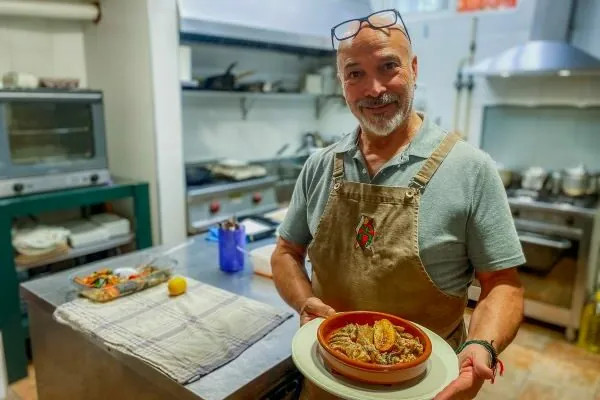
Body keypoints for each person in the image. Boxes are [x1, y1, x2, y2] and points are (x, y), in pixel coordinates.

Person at [271, 8, 525, 400]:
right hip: (327, 378)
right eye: (355, 73)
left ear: (414, 68)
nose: (374, 89)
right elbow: (286, 252)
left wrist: (482, 346)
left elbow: (502, 285)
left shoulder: (471, 169)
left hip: (426, 385)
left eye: (388, 66)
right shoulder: (320, 166)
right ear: (342, 83)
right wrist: (305, 303)